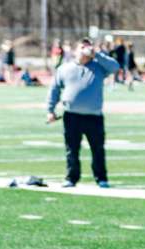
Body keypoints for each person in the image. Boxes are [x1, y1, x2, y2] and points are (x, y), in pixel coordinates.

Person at [47, 38, 119, 188]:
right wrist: (50, 110)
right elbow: (54, 89)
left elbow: (115, 67)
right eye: (83, 47)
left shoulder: (99, 67)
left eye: (88, 46)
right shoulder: (65, 68)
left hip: (94, 116)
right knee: (72, 149)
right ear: (75, 50)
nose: (86, 49)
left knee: (97, 149)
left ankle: (101, 178)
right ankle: (71, 178)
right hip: (71, 115)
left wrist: (97, 54)